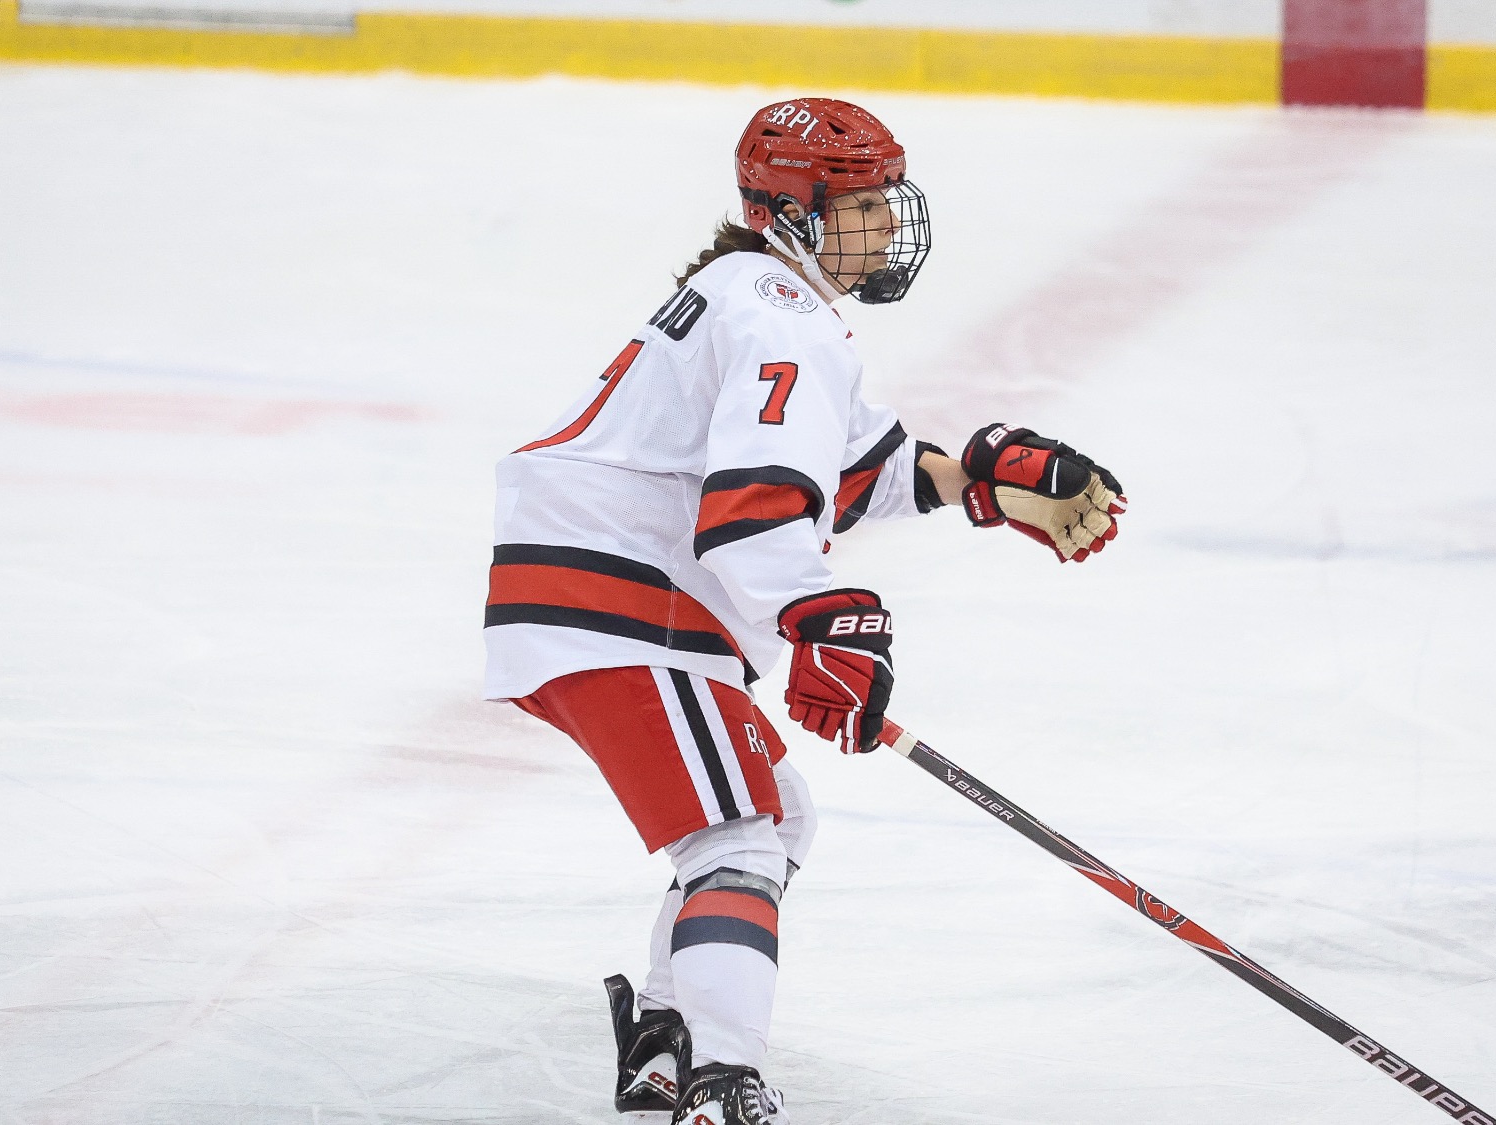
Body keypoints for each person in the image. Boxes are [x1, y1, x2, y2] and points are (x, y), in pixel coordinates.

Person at [482, 97, 1125, 1125]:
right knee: (735, 840)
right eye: (862, 201)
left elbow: (856, 475)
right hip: (619, 594)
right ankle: (721, 1083)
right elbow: (751, 513)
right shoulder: (778, 316)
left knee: (770, 819)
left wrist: (980, 478)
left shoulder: (761, 297)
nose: (886, 219)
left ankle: (668, 1037)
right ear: (792, 211)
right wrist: (824, 618)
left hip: (602, 585)